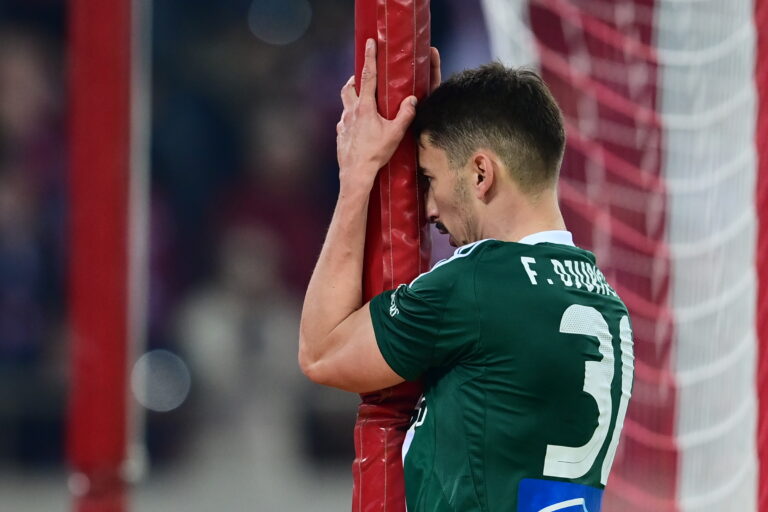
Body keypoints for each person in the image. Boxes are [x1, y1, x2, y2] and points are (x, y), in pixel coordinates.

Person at [299, 39, 634, 512]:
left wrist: (357, 175)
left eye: (430, 179)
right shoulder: (609, 306)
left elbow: (321, 352)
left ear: (481, 174)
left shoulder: (479, 283)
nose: (429, 209)